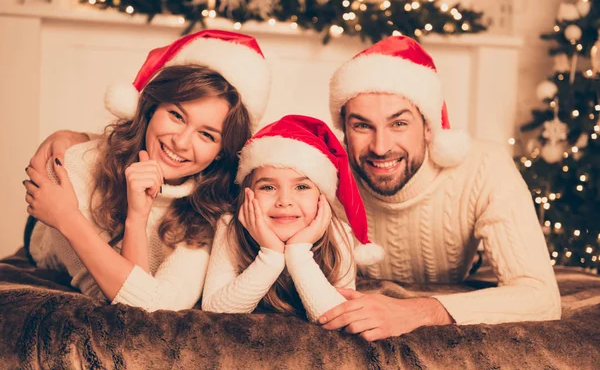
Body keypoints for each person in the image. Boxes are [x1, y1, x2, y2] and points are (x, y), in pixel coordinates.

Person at [318, 35, 561, 340]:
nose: (380, 147)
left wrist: (418, 311)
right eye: (362, 126)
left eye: (399, 124)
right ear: (344, 130)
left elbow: (542, 297)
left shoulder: (484, 166)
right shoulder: (324, 174)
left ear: (430, 126)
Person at [24, 30, 271, 312]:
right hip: (43, 237)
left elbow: (146, 308)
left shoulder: (213, 209)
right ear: (151, 109)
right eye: (176, 116)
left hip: (61, 213)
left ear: (221, 152)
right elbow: (103, 292)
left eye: (207, 135)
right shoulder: (74, 167)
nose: (181, 141)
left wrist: (70, 217)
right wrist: (60, 215)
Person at [201, 115, 383, 322]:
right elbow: (214, 312)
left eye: (302, 187)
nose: (284, 201)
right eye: (268, 187)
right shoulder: (230, 226)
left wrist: (298, 252)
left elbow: (337, 317)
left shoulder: (338, 233)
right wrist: (270, 255)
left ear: (320, 197)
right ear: (248, 193)